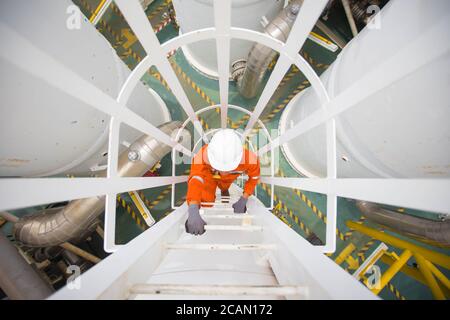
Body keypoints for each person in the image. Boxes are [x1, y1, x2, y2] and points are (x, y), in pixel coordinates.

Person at [185, 129, 260, 235]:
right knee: (206, 201)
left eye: (228, 168)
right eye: (220, 167)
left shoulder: (250, 159)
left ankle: (224, 190)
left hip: (229, 180)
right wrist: (193, 207)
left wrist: (244, 198)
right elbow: (196, 179)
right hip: (210, 177)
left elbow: (254, 178)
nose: (224, 172)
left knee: (225, 185)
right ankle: (222, 190)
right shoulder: (200, 156)